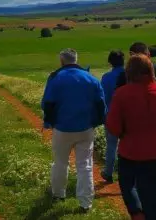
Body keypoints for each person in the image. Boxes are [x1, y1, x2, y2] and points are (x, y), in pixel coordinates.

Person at [106, 54, 156, 220]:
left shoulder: (121, 94)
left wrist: (124, 133)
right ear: (150, 70)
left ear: (129, 72)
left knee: (128, 186)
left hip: (130, 151)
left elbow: (113, 127)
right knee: (155, 191)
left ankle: (137, 213)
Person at [41, 48, 107, 212]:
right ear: (76, 60)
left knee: (60, 163)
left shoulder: (56, 78)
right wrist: (97, 122)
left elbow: (47, 104)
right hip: (86, 128)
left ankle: (58, 194)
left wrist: (49, 122)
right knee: (85, 165)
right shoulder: (90, 78)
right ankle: (85, 203)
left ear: (62, 61)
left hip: (62, 129)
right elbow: (101, 104)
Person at [100, 50, 125, 183]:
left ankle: (108, 173)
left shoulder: (106, 77)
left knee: (111, 145)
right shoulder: (131, 75)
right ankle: (127, 176)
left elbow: (102, 97)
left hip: (111, 116)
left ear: (110, 62)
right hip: (129, 117)